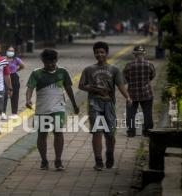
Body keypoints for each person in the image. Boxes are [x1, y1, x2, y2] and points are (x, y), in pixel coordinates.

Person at [79, 41, 132, 171]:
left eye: (102, 52)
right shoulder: (89, 69)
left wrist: (128, 97)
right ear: (94, 54)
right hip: (94, 104)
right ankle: (98, 160)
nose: (99, 54)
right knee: (97, 132)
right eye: (97, 52)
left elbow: (120, 86)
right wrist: (92, 88)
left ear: (107, 53)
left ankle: (109, 154)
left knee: (110, 134)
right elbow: (81, 85)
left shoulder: (114, 69)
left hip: (109, 104)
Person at [25, 49, 79, 170]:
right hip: (42, 109)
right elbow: (30, 87)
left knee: (58, 133)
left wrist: (74, 104)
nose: (50, 65)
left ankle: (58, 161)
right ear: (43, 61)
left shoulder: (63, 72)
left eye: (52, 63)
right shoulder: (36, 73)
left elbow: (69, 88)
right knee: (42, 135)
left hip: (58, 108)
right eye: (47, 63)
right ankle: (44, 160)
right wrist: (28, 99)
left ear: (56, 60)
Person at [123, 45, 156, 137]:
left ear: (134, 54)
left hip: (132, 93)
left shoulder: (129, 65)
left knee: (131, 113)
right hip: (147, 93)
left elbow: (125, 79)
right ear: (144, 53)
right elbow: (152, 76)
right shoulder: (149, 64)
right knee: (147, 112)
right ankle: (147, 131)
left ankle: (131, 131)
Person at [2, 46, 25, 120]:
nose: (10, 52)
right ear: (6, 51)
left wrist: (16, 70)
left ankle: (14, 113)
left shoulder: (16, 59)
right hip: (4, 77)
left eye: (12, 51)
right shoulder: (2, 59)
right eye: (9, 50)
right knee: (4, 94)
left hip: (14, 77)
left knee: (14, 94)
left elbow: (22, 66)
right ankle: (3, 112)